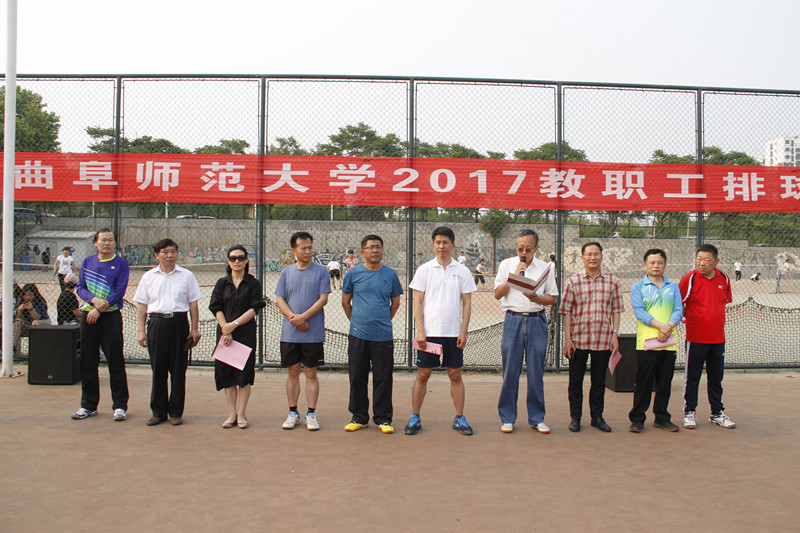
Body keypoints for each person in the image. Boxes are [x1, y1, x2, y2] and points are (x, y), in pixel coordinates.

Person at [405, 227, 476, 436]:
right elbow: (417, 302)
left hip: (453, 334)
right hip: (429, 334)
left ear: (453, 245)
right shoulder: (424, 270)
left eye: (445, 242)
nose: (441, 246)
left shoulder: (462, 271)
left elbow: (467, 303)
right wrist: (420, 331)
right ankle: (415, 417)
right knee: (423, 374)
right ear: (433, 245)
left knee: (455, 375)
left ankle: (459, 418)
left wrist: (463, 331)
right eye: (438, 242)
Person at [493, 229, 558, 434]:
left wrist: (537, 298)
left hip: (536, 320)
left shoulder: (546, 268)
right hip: (513, 320)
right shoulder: (506, 265)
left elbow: (552, 298)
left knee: (536, 372)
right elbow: (497, 294)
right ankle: (507, 417)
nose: (524, 253)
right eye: (520, 248)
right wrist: (513, 277)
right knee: (510, 371)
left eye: (528, 249)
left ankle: (537, 418)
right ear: (516, 247)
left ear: (536, 248)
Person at [134, 239, 202, 427]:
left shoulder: (187, 276)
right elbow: (142, 305)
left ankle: (176, 412)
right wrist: (141, 331)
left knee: (178, 370)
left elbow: (193, 304)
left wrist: (194, 329)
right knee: (158, 370)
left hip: (179, 324)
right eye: (165, 252)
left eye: (173, 251)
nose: (170, 255)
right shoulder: (148, 277)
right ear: (157, 255)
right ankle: (158, 412)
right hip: (156, 324)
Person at [341, 234, 403, 433]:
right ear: (363, 252)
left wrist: (382, 321)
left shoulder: (390, 275)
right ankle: (359, 417)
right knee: (357, 377)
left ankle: (383, 419)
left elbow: (395, 303)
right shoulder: (353, 274)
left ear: (382, 250)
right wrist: (357, 322)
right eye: (371, 247)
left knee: (383, 378)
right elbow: (345, 302)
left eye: (378, 247)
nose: (375, 250)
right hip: (358, 335)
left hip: (383, 336)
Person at [560, 242, 623, 433]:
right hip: (578, 339)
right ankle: (575, 417)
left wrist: (615, 333)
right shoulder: (573, 281)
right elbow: (566, 312)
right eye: (589, 254)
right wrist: (568, 338)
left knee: (599, 381)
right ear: (582, 258)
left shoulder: (613, 281)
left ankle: (597, 417)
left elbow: (616, 309)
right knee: (575, 381)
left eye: (596, 254)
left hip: (603, 339)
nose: (593, 257)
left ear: (602, 256)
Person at [71, 229, 131, 421]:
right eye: (103, 240)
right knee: (88, 361)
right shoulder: (87, 262)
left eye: (111, 240)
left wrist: (100, 308)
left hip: (110, 317)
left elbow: (120, 291)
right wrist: (94, 301)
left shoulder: (121, 264)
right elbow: (80, 287)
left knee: (115, 361)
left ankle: (120, 406)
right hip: (88, 317)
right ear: (96, 243)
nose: (107, 243)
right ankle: (88, 405)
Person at [275, 231, 330, 431]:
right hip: (290, 334)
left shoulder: (321, 271)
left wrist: (303, 317)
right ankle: (293, 413)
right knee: (293, 372)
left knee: (311, 373)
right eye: (303, 248)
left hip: (313, 334)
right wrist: (294, 319)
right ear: (294, 250)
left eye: (310, 247)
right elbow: (280, 299)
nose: (308, 251)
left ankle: (311, 414)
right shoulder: (286, 273)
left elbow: (323, 299)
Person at [679, 244, 735, 430]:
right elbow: (679, 304)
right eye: (699, 259)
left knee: (716, 378)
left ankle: (717, 413)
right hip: (696, 338)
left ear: (716, 261)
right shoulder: (690, 279)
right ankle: (689, 412)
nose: (701, 263)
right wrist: (690, 318)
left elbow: (722, 303)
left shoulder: (724, 278)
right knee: (692, 378)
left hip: (718, 339)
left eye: (706, 260)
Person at [209, 245, 265, 429]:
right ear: (228, 261)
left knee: (244, 375)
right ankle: (231, 414)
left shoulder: (253, 283)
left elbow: (254, 308)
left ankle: (241, 414)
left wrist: (234, 325)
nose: (237, 261)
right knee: (227, 375)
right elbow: (216, 307)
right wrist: (226, 329)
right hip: (226, 336)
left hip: (245, 334)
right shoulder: (221, 284)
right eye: (233, 258)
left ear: (247, 260)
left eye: (241, 258)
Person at [628, 249, 683, 433]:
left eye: (659, 262)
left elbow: (678, 310)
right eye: (652, 262)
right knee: (643, 383)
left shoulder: (673, 287)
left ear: (665, 265)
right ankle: (637, 419)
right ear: (645, 265)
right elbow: (640, 312)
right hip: (647, 343)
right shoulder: (638, 287)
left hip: (668, 343)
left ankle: (661, 417)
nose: (656, 266)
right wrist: (661, 326)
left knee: (664, 383)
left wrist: (669, 327)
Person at [13, 283, 51, 355]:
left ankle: (35, 350)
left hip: (42, 323)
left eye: (30, 295)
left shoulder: (40, 301)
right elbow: (19, 317)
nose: (28, 297)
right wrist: (20, 309)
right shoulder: (21, 301)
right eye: (25, 295)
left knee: (35, 322)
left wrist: (31, 309)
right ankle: (14, 348)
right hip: (28, 324)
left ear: (35, 294)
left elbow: (37, 317)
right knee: (18, 321)